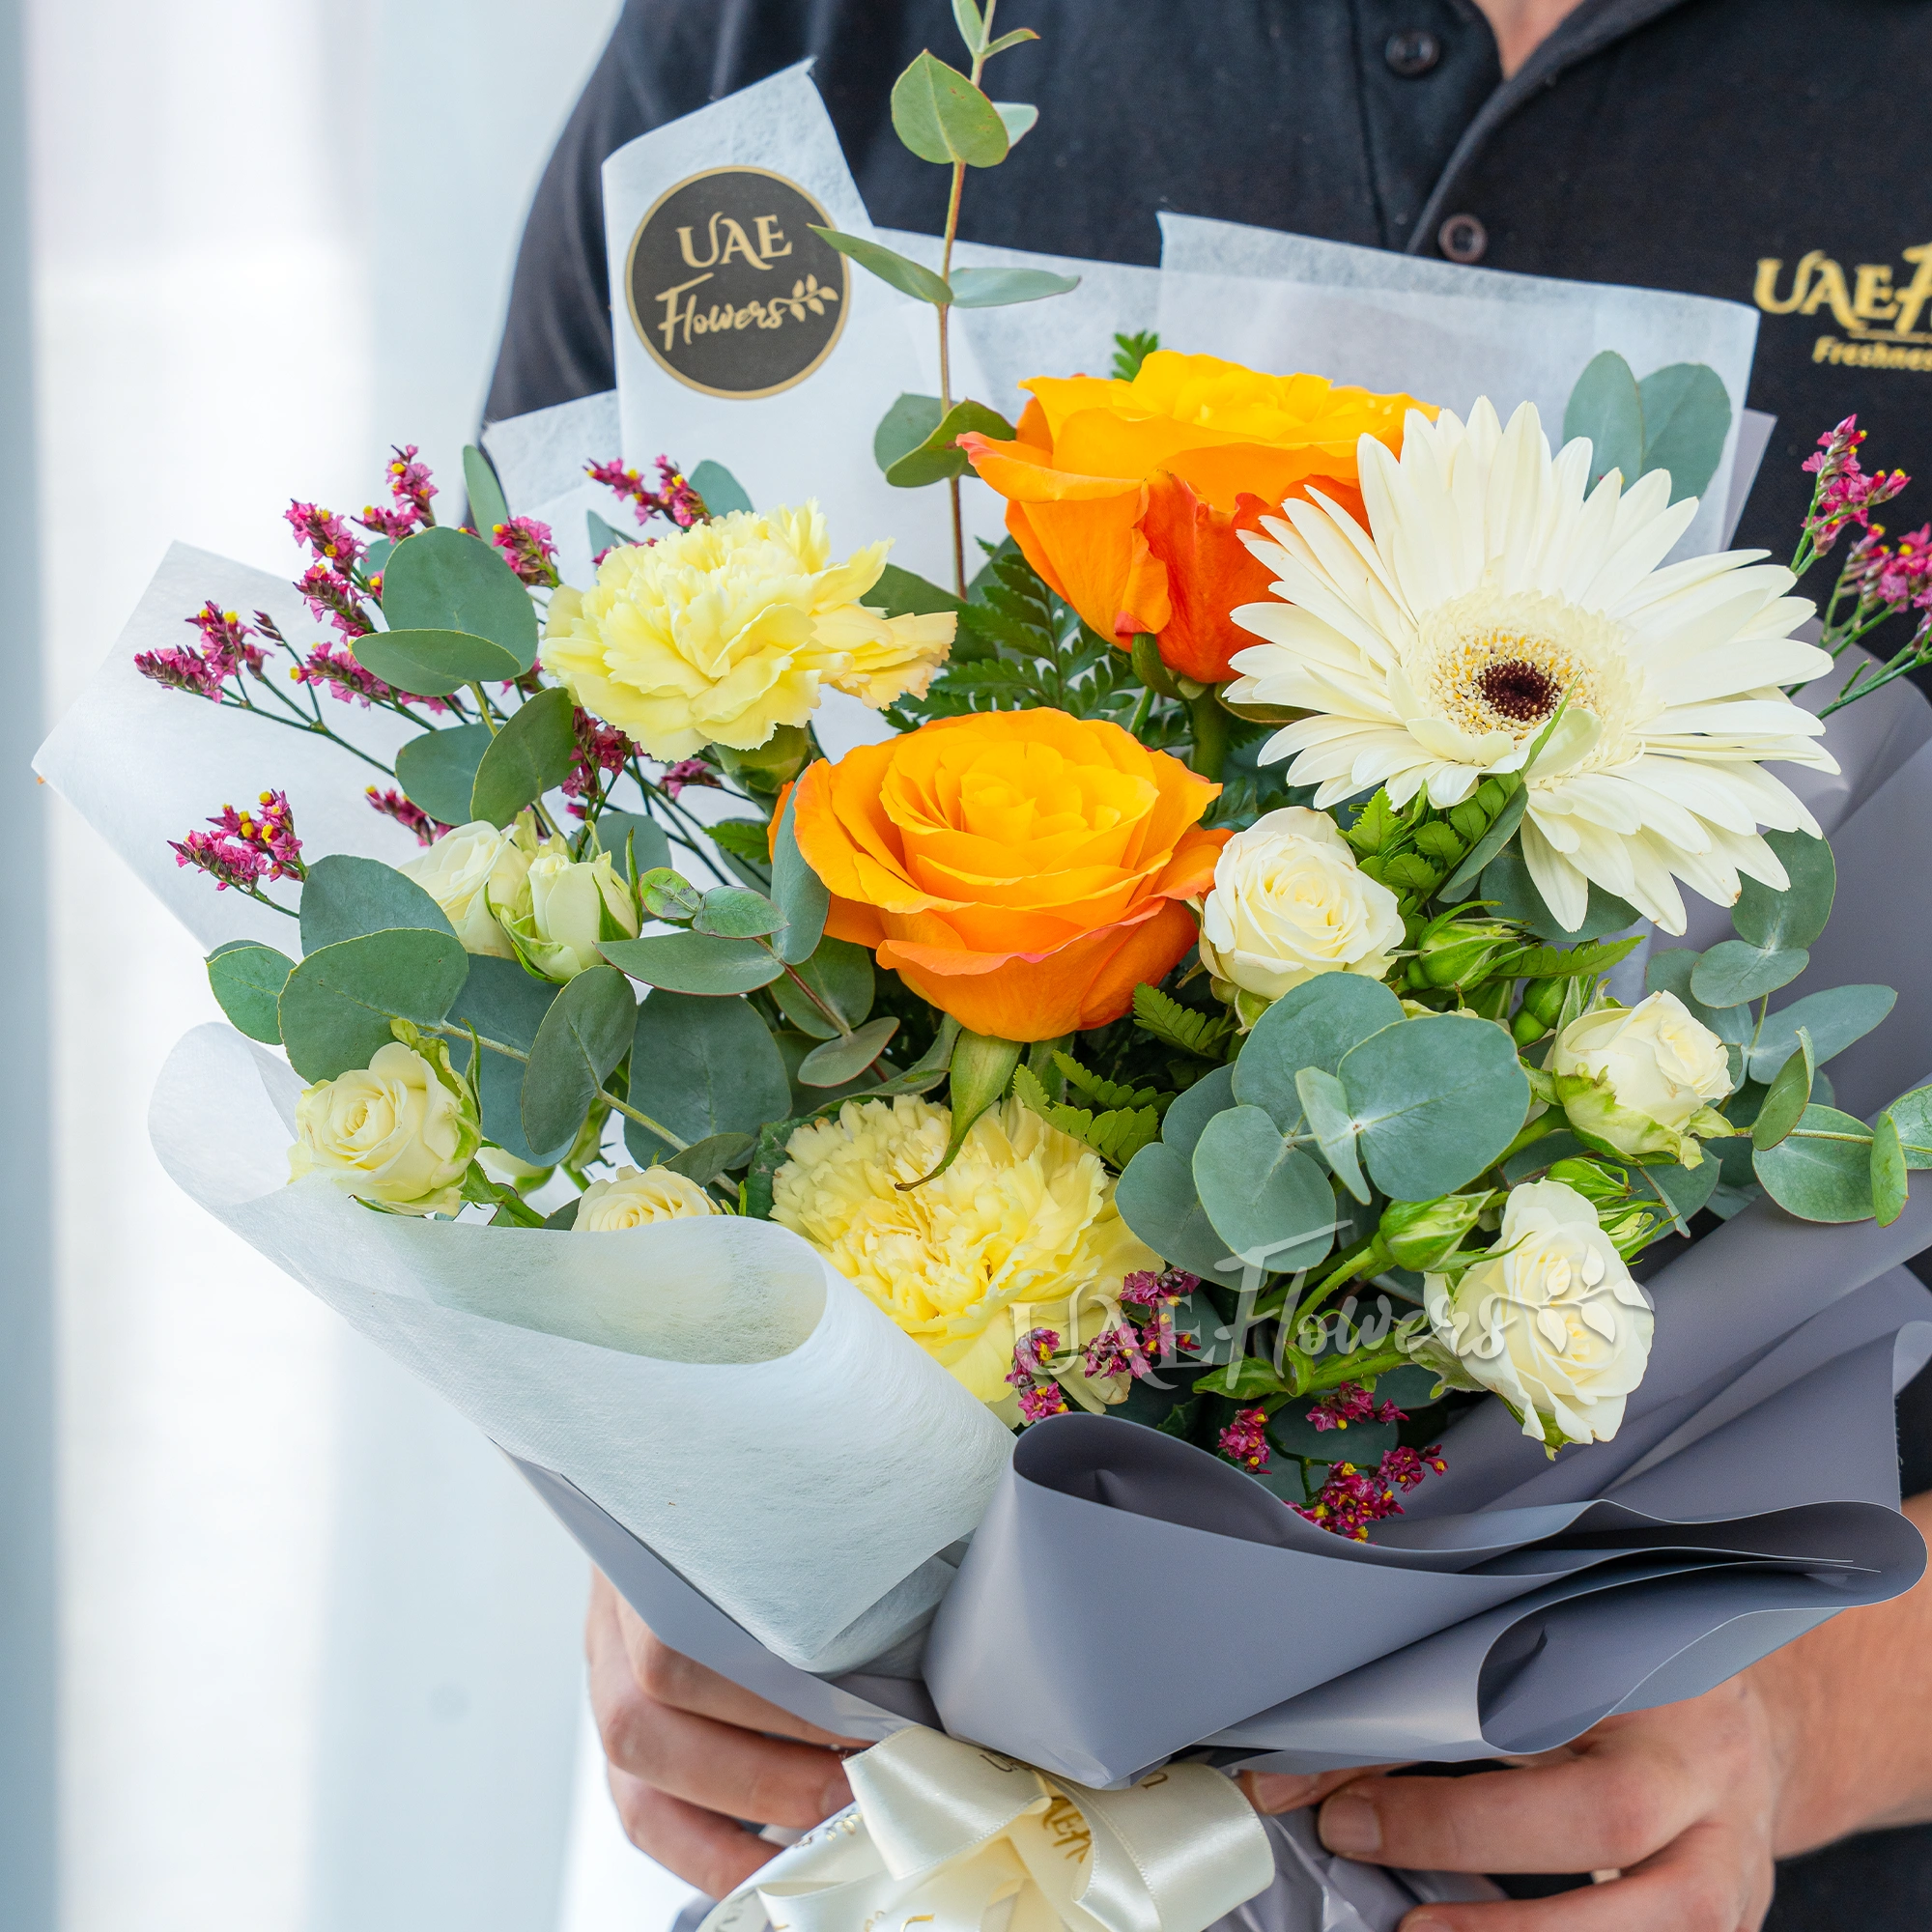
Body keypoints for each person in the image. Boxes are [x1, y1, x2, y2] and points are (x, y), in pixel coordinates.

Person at [494, 2, 1932, 1924]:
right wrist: (684, 1541)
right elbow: (537, 883)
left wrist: (1808, 1720)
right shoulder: (802, 29)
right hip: (906, 1839)